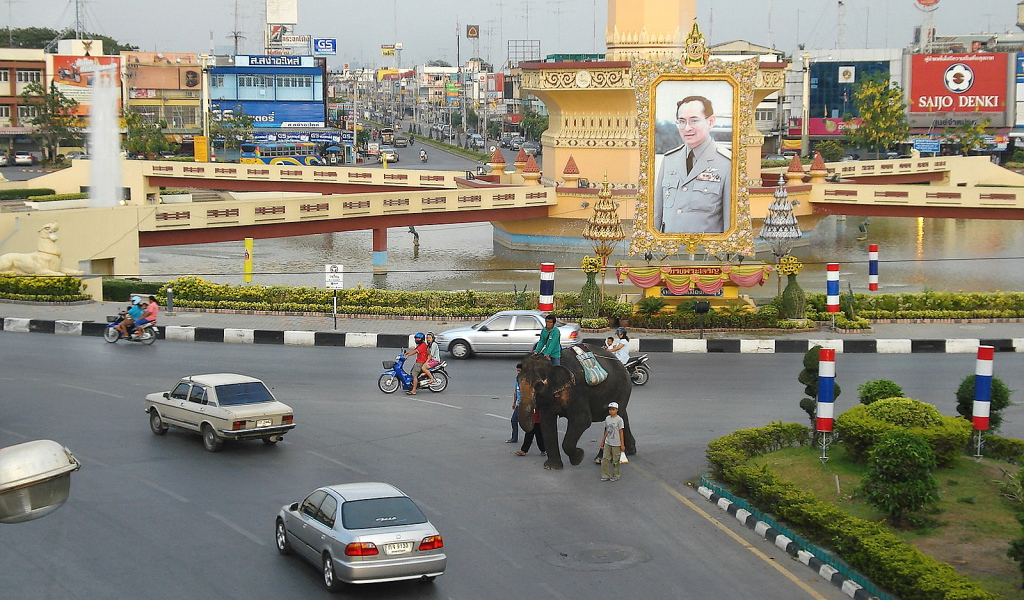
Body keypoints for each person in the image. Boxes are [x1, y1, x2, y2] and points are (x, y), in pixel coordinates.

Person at [653, 95, 732, 235]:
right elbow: (657, 214)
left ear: (711, 122)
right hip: (669, 253)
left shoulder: (727, 164)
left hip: (706, 254)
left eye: (694, 120)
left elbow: (730, 225)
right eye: (682, 121)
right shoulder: (670, 159)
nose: (687, 128)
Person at [600, 402, 626, 481]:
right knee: (605, 459)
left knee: (616, 460)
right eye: (610, 409)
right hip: (608, 442)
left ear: (617, 410)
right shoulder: (607, 419)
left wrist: (622, 444)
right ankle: (605, 475)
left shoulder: (619, 420)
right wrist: (603, 441)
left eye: (613, 409)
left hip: (616, 443)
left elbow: (621, 432)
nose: (611, 411)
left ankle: (616, 475)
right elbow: (606, 431)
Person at [507, 363, 522, 444]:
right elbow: (516, 391)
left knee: (514, 420)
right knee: (514, 420)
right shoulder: (517, 380)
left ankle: (514, 438)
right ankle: (514, 437)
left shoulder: (525, 380)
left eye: (519, 370)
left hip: (524, 404)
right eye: (517, 370)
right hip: (518, 404)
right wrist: (514, 402)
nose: (518, 372)